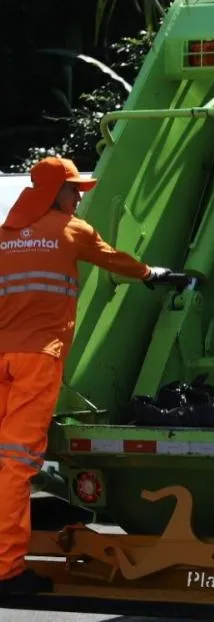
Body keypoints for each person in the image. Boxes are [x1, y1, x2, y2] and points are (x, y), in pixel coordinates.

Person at [0, 156, 182, 594]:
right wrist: (151, 274)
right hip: (37, 361)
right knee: (16, 464)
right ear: (53, 192)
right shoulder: (70, 231)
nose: (78, 197)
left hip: (2, 355)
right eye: (73, 189)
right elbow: (113, 259)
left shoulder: (4, 237)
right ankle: (5, 571)